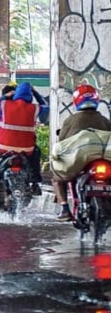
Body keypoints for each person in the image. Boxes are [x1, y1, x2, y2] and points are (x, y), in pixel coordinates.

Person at [52, 84, 111, 221]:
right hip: (104, 159)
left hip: (80, 161)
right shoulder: (104, 120)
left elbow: (62, 143)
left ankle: (65, 208)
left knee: (57, 178)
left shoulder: (70, 120)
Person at [0, 82, 48, 194]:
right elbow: (46, 106)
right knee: (37, 152)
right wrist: (36, 93)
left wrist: (5, 96)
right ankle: (35, 183)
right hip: (27, 150)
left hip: (4, 149)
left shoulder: (4, 105)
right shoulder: (34, 108)